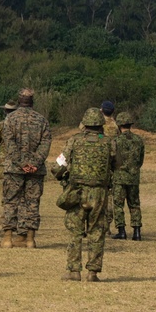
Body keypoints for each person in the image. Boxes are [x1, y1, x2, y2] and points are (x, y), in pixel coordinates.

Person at [54, 108, 117, 282]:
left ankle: (74, 271)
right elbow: (116, 164)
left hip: (77, 192)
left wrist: (61, 176)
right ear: (101, 125)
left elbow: (59, 165)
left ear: (85, 124)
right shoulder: (109, 143)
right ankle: (93, 272)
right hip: (99, 193)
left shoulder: (74, 141)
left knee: (75, 231)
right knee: (97, 231)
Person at [0, 88, 52, 249]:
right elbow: (46, 143)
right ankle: (30, 239)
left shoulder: (10, 119)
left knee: (10, 202)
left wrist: (22, 163)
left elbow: (9, 145)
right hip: (36, 170)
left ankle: (8, 239)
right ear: (32, 101)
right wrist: (34, 163)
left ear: (19, 100)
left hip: (14, 169)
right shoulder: (42, 120)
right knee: (32, 203)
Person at [110, 112, 145, 240]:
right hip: (134, 177)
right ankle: (137, 232)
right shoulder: (138, 140)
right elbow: (141, 160)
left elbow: (111, 159)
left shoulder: (116, 141)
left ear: (119, 125)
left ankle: (121, 231)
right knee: (134, 204)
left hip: (119, 177)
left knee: (118, 204)